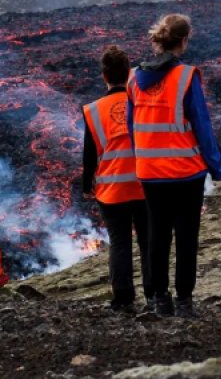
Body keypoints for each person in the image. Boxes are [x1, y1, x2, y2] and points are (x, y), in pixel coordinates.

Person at [126, 14, 221, 318]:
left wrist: (142, 159)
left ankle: (160, 299)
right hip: (185, 172)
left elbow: (132, 126)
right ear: (184, 40)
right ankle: (184, 301)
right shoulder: (186, 76)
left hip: (150, 172)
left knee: (157, 236)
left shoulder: (132, 78)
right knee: (186, 237)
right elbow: (201, 124)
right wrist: (216, 167)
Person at [81, 45, 151, 313]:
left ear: (104, 76)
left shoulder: (93, 110)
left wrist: (87, 184)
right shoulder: (142, 102)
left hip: (112, 189)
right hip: (145, 183)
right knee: (148, 241)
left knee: (120, 242)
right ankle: (154, 293)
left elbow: (90, 154)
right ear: (129, 73)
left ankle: (123, 298)